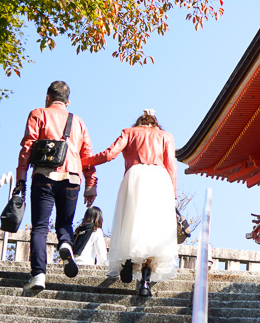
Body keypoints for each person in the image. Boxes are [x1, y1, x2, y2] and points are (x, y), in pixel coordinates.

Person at [83, 109, 177, 297]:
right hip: (160, 179)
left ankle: (128, 259)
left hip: (135, 176)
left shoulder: (129, 132)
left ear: (139, 123)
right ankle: (145, 281)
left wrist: (84, 161)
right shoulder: (166, 136)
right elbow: (171, 166)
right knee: (154, 230)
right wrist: (173, 195)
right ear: (155, 124)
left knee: (132, 222)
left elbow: (110, 154)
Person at [16, 81, 96, 293]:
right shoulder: (78, 122)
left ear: (48, 97)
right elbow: (87, 157)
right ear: (68, 101)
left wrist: (21, 178)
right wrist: (91, 185)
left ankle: (39, 275)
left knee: (41, 227)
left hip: (45, 176)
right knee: (65, 223)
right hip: (72, 179)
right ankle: (65, 245)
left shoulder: (38, 114)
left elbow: (27, 146)